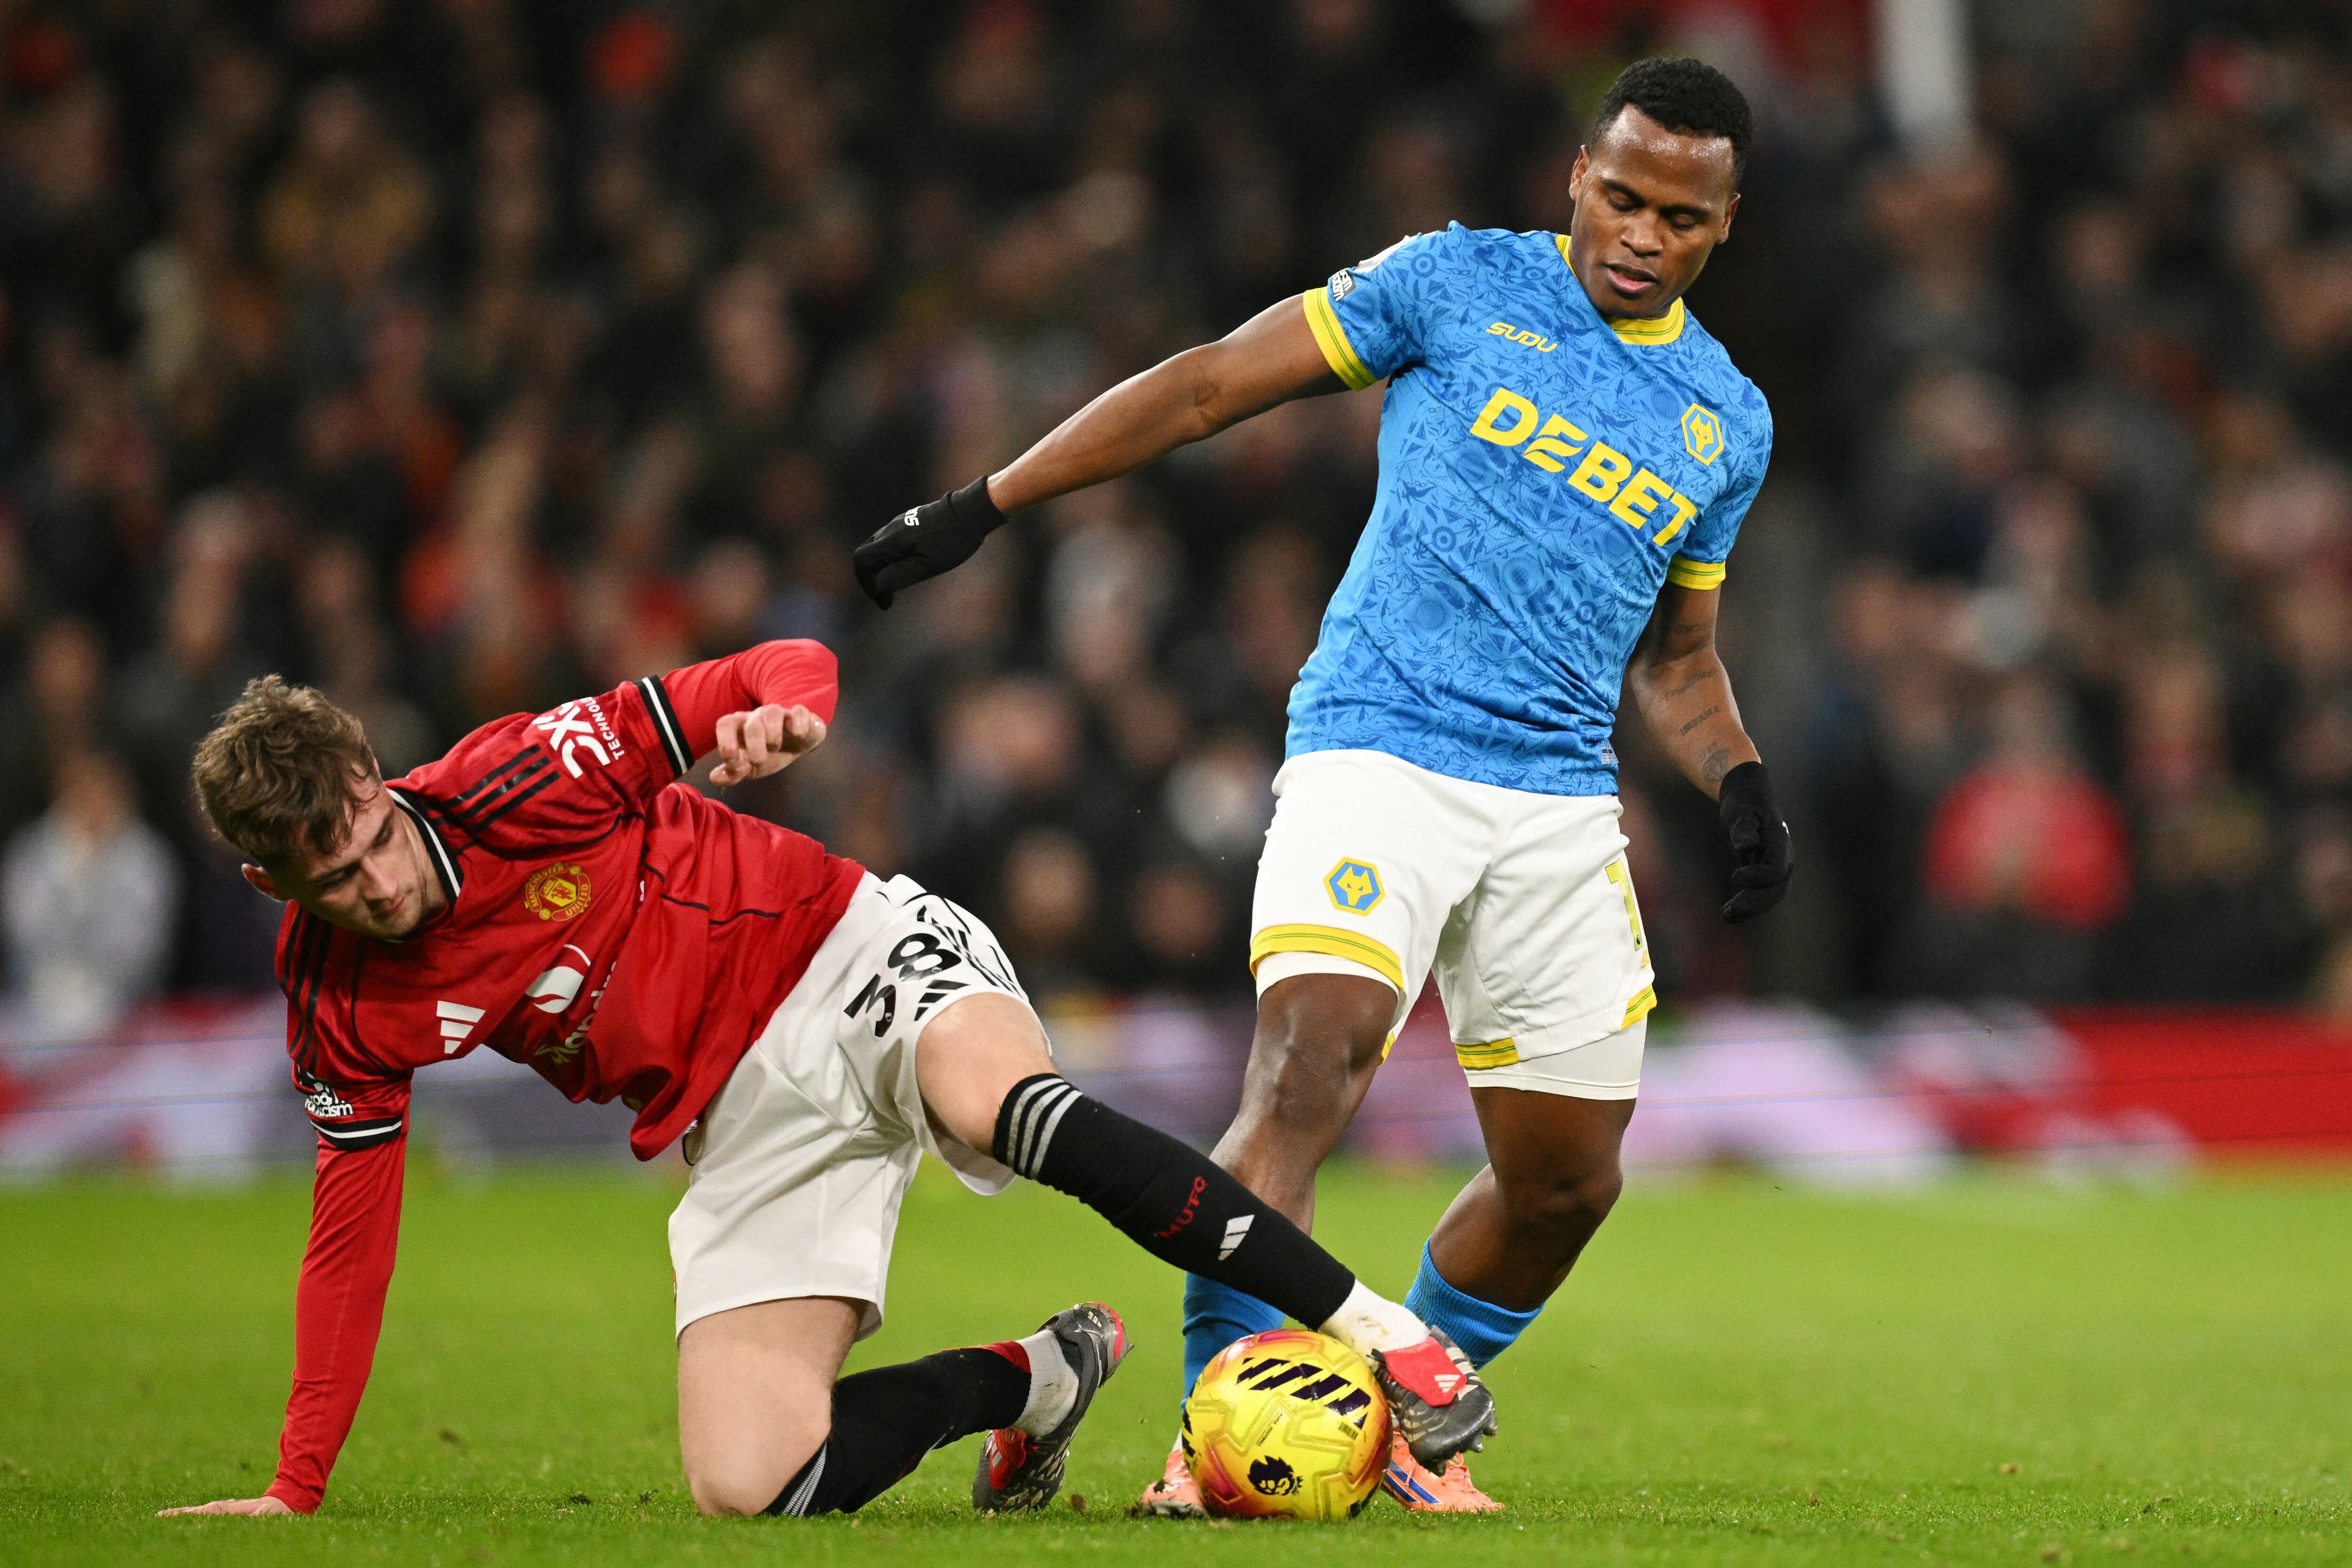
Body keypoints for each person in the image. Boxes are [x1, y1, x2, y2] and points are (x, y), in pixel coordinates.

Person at [852, 58, 1790, 1514]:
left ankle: (1401, 1427)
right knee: (1311, 1058)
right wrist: (990, 503)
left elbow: (1677, 657)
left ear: (1724, 225)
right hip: (1380, 748)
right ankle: (1216, 1436)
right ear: (1574, 176)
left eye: (1681, 216)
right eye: (1622, 196)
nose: (1642, 234)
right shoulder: (1449, 284)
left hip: (1555, 800)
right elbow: (1213, 383)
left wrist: (1737, 780)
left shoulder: (1726, 418)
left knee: (1566, 1188)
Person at [158, 640, 1493, 1522]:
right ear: (273, 882)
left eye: (376, 837)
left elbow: (785, 662)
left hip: (848, 951)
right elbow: (347, 1240)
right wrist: (295, 1485)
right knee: (755, 1487)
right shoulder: (337, 998)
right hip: (734, 1112)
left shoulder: (523, 776)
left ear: (374, 780)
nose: (379, 886)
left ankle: (1386, 1334)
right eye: (334, 880)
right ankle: (1033, 1378)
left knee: (1007, 1109)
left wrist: (778, 718)